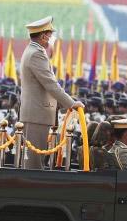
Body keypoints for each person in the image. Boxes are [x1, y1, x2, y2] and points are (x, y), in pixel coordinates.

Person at [19, 16, 83, 169]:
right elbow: (51, 85)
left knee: (34, 161)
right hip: (37, 115)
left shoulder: (32, 50)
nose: (50, 39)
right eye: (49, 35)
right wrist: (72, 104)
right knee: (34, 164)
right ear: (43, 36)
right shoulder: (36, 54)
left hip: (35, 114)